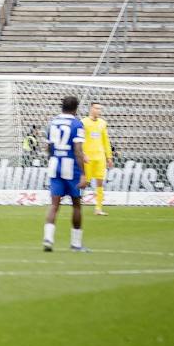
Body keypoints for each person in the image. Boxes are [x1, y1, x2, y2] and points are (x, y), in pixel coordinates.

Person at [41, 96, 88, 253]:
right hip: (71, 168)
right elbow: (78, 150)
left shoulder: (52, 123)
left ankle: (48, 239)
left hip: (55, 166)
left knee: (54, 205)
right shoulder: (77, 124)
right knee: (76, 205)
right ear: (76, 109)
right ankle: (76, 244)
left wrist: (54, 158)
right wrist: (83, 174)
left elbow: (47, 148)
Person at [82, 103, 113, 215]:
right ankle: (77, 203)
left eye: (100, 108)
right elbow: (80, 139)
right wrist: (83, 153)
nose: (98, 110)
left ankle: (98, 208)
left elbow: (106, 140)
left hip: (100, 157)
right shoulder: (83, 122)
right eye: (96, 108)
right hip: (87, 158)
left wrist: (109, 156)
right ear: (91, 109)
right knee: (84, 182)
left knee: (100, 183)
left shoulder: (103, 123)